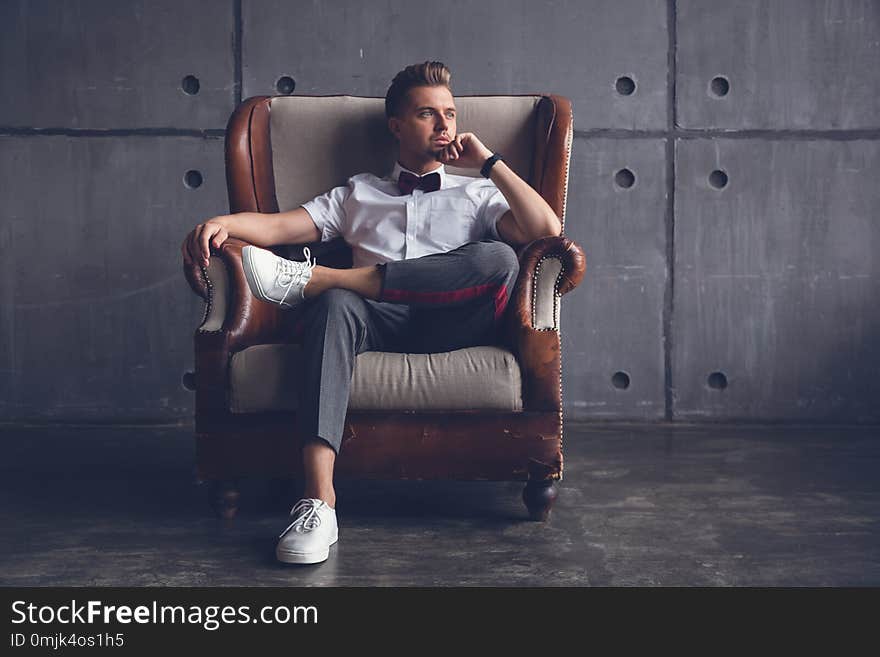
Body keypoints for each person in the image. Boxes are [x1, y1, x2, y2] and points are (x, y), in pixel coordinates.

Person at [181, 61, 562, 565]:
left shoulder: (477, 191)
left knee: (497, 258)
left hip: (455, 322)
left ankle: (319, 279)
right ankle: (319, 502)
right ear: (396, 126)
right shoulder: (358, 193)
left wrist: (489, 162)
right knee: (337, 307)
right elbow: (276, 229)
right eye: (428, 114)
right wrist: (219, 222)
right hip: (377, 322)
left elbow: (547, 233)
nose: (444, 125)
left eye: (449, 113)